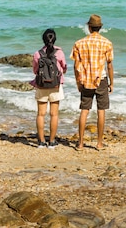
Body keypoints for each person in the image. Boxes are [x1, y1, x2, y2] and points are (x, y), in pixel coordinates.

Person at [71, 14, 114, 150]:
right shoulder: (107, 43)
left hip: (85, 80)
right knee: (101, 111)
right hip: (101, 80)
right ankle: (99, 143)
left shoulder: (79, 43)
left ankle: (80, 143)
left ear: (89, 27)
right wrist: (111, 83)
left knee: (84, 110)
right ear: (100, 28)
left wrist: (78, 82)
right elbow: (109, 65)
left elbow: (76, 66)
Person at [32, 28, 67, 148]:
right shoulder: (59, 53)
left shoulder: (37, 54)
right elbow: (64, 68)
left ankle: (41, 141)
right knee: (54, 114)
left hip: (41, 85)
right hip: (55, 86)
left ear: (43, 39)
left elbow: (35, 70)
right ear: (55, 39)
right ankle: (52, 141)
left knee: (41, 114)